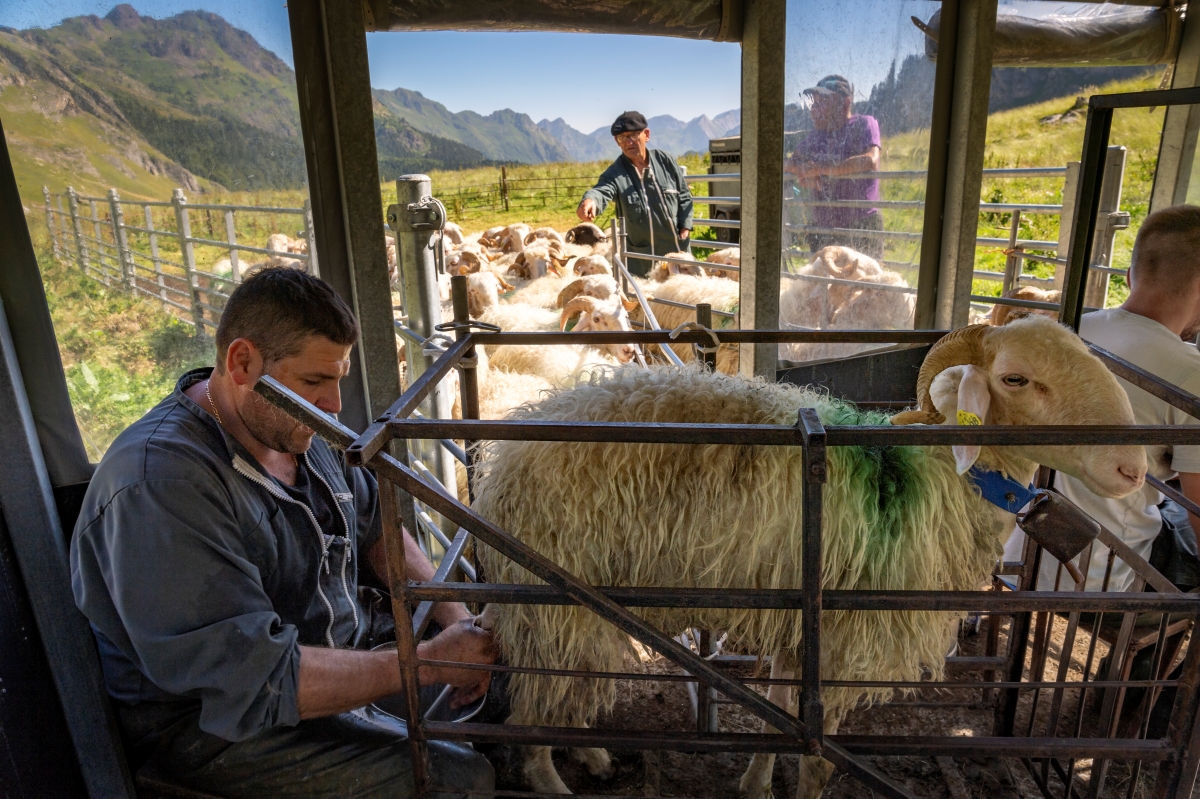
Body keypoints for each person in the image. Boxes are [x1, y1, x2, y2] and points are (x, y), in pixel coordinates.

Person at [70, 268, 496, 797]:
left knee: (508, 686)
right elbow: (256, 678)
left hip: (336, 658)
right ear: (242, 362)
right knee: (460, 781)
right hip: (223, 729)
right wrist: (429, 663)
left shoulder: (297, 427)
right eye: (315, 381)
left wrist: (452, 619)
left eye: (339, 377)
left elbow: (375, 530)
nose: (335, 404)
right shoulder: (162, 484)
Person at [1028, 206, 1200, 592]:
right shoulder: (1193, 373)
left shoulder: (1066, 330)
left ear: (1128, 276)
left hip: (1019, 550)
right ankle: (1141, 653)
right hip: (1100, 575)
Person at [577, 110, 693, 277]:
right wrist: (590, 200)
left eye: (633, 135)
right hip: (643, 263)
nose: (628, 142)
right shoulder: (615, 173)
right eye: (622, 138)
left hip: (679, 254)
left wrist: (685, 225)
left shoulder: (665, 161)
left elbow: (683, 194)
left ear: (646, 135)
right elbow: (602, 190)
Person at [785, 75, 884, 262]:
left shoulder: (864, 124)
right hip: (824, 227)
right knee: (823, 287)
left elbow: (871, 160)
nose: (814, 109)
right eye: (814, 103)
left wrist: (820, 169)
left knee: (865, 285)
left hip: (861, 224)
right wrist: (805, 172)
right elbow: (788, 163)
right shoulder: (817, 136)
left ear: (845, 103)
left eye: (822, 102)